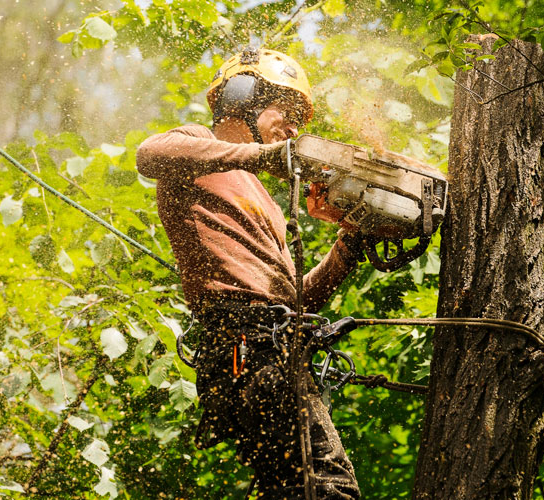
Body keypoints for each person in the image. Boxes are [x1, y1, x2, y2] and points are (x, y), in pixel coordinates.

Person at [136, 47, 362, 499]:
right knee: (327, 486)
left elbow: (296, 297)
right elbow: (148, 154)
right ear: (243, 96)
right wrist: (260, 156)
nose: (296, 128)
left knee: (294, 489)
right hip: (245, 342)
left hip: (272, 346)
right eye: (289, 110)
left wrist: (352, 242)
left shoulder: (267, 200)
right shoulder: (196, 146)